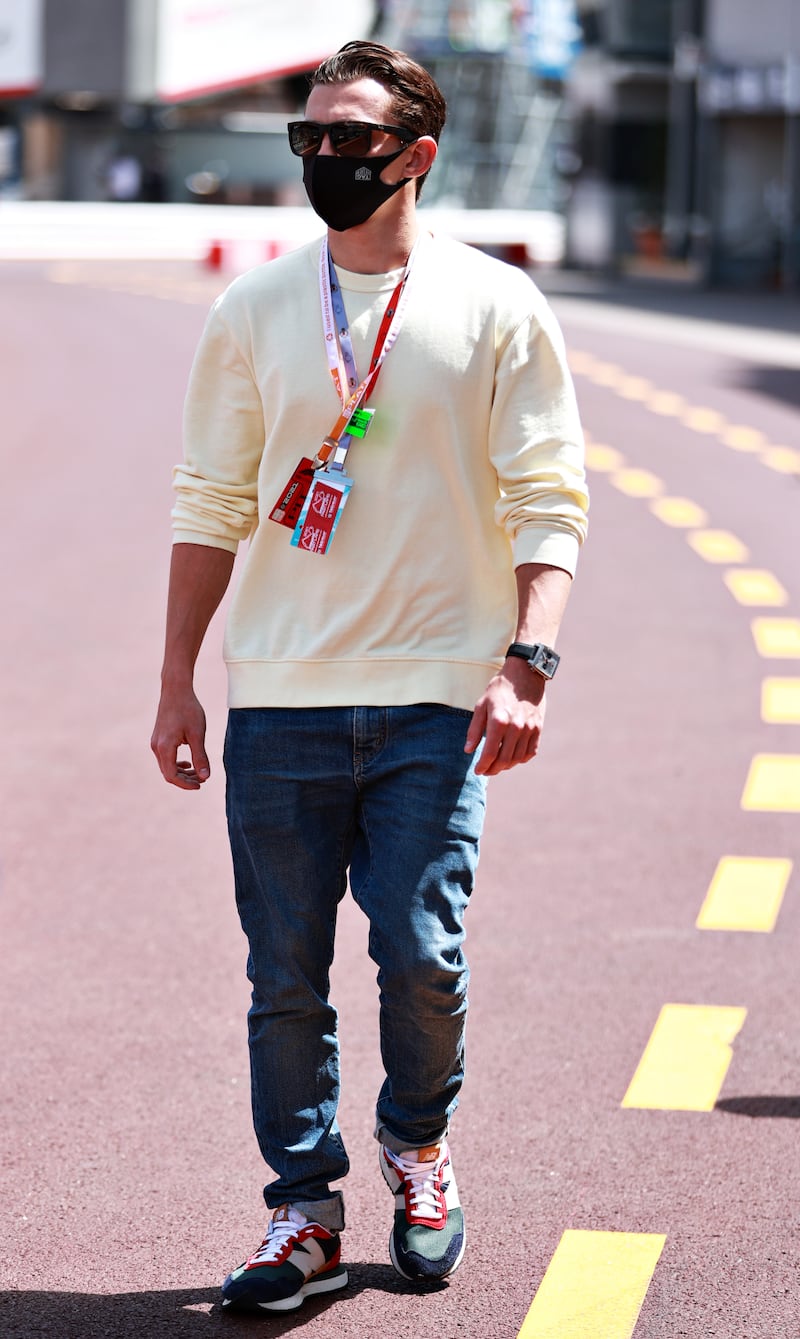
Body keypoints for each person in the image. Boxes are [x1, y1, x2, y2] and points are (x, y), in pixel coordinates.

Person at [151, 39, 588, 1316]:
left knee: (417, 951)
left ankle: (418, 1148)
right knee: (282, 972)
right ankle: (303, 1212)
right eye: (311, 139)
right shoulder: (253, 309)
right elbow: (210, 498)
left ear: (416, 156)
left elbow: (549, 496)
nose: (327, 160)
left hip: (436, 695)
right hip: (279, 693)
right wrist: (177, 678)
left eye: (352, 140)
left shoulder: (496, 305)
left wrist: (529, 661)